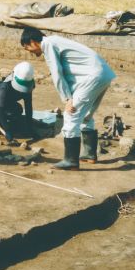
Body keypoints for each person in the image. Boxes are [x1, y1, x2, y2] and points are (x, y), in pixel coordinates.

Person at [20, 27, 116, 169]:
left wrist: (67, 99)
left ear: (33, 41)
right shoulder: (55, 41)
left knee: (71, 115)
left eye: (28, 47)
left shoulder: (48, 45)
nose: (30, 52)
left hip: (92, 76)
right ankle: (89, 154)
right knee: (86, 116)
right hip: (103, 74)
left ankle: (71, 161)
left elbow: (57, 73)